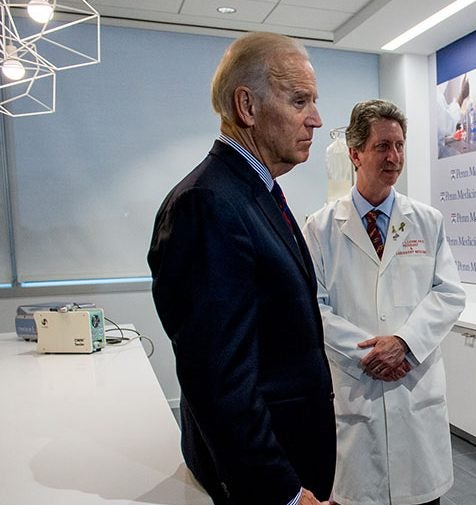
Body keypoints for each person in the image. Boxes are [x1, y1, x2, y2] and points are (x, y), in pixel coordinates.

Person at [148, 32, 334, 505]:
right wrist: (283, 493)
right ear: (247, 106)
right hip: (261, 480)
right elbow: (220, 379)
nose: (316, 119)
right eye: (300, 101)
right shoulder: (208, 204)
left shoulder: (252, 193)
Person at [301, 99, 466, 505]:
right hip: (358, 390)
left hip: (414, 388)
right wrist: (370, 354)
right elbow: (312, 306)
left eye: (399, 145)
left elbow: (448, 292)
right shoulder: (321, 227)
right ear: (355, 153)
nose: (394, 157)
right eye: (382, 146)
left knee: (421, 498)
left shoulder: (428, 221)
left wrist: (404, 343)